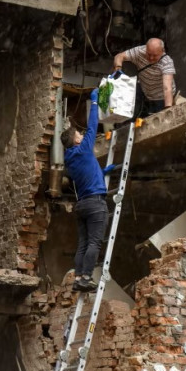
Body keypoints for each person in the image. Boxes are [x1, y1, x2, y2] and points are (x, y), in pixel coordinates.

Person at [61, 88, 116, 292]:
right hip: (94, 204)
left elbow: (87, 175)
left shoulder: (70, 159)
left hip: (83, 205)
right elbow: (93, 126)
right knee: (94, 242)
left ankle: (78, 278)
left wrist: (102, 173)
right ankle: (85, 278)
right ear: (75, 140)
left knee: (83, 243)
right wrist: (94, 103)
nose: (82, 134)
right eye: (79, 134)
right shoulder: (83, 149)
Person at [112, 38, 176, 117]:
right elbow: (119, 56)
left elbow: (167, 88)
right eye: (148, 54)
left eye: (155, 55)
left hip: (162, 98)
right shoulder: (139, 51)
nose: (151, 58)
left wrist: (168, 109)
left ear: (162, 51)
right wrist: (118, 69)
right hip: (145, 93)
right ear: (146, 48)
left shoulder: (167, 62)